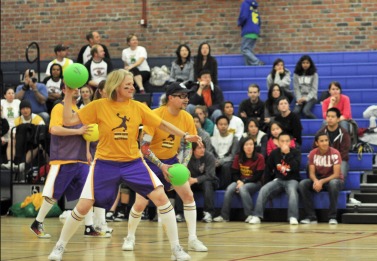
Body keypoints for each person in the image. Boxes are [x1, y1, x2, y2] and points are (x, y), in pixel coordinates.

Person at [48, 69, 201, 261]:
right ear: (116, 86)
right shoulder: (99, 106)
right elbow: (69, 120)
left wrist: (185, 135)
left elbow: (162, 124)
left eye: (132, 84)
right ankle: (60, 246)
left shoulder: (138, 107)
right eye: (127, 84)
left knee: (161, 198)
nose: (132, 87)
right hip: (105, 163)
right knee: (84, 206)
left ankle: (176, 248)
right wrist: (69, 94)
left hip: (133, 163)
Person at [123, 82, 208, 252]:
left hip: (172, 161)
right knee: (140, 203)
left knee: (188, 196)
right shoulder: (154, 116)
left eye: (187, 96)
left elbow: (187, 145)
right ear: (170, 98)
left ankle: (192, 238)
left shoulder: (187, 117)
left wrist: (182, 166)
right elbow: (144, 148)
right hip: (150, 163)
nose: (186, 99)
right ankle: (130, 237)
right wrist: (161, 166)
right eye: (182, 96)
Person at [29, 86, 109, 239]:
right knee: (53, 194)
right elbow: (54, 129)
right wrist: (77, 131)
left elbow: (86, 133)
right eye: (72, 88)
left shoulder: (78, 109)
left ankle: (88, 227)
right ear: (64, 91)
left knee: (88, 193)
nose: (77, 90)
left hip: (81, 160)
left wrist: (87, 150)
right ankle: (37, 222)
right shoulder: (59, 108)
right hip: (63, 158)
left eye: (78, 88)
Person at [249, 132, 301, 225]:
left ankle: (293, 217)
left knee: (293, 192)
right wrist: (267, 183)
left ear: (290, 142)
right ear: (278, 142)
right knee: (264, 189)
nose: (285, 143)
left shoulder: (296, 152)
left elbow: (295, 167)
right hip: (279, 180)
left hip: (292, 180)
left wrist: (288, 154)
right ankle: (257, 215)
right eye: (282, 141)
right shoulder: (274, 153)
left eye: (287, 141)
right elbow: (268, 169)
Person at [214, 137, 265, 222]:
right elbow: (234, 173)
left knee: (243, 188)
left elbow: (258, 175)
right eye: (246, 145)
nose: (249, 147)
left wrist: (243, 182)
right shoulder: (238, 157)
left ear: (254, 146)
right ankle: (224, 216)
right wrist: (238, 181)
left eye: (251, 144)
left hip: (255, 182)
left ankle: (250, 214)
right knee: (229, 189)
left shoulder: (260, 157)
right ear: (243, 147)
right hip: (240, 181)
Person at [299, 132, 344, 225]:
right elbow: (311, 173)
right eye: (322, 141)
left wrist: (321, 182)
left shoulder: (335, 153)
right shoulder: (312, 153)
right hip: (319, 179)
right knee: (303, 184)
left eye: (326, 140)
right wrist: (316, 181)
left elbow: (336, 174)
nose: (325, 143)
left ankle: (332, 217)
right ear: (317, 143)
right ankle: (311, 217)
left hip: (334, 180)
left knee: (333, 183)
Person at [11, 100, 45, 177]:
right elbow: (13, 134)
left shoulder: (37, 118)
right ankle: (12, 162)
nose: (25, 110)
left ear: (30, 109)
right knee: (11, 140)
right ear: (20, 110)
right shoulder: (17, 120)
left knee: (38, 145)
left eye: (27, 108)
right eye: (23, 108)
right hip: (21, 143)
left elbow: (42, 133)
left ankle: (24, 164)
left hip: (34, 142)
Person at [314, 108, 350, 180]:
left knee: (337, 180)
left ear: (338, 119)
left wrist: (332, 161)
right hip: (323, 159)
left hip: (339, 160)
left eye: (332, 117)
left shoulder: (344, 133)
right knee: (310, 164)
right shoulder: (320, 133)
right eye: (328, 116)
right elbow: (315, 150)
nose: (330, 119)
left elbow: (344, 153)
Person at [211, 115, 239, 190]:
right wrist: (214, 161)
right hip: (216, 160)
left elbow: (233, 156)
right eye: (220, 124)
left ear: (228, 125)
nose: (223, 126)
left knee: (226, 166)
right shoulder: (212, 139)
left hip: (228, 161)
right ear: (216, 126)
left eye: (225, 124)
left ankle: (224, 189)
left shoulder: (234, 138)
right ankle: (213, 186)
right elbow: (210, 153)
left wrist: (221, 161)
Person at [237, 0, 264, 66]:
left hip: (248, 30)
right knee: (248, 49)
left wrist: (239, 23)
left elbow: (244, 16)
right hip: (255, 31)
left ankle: (257, 62)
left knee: (244, 49)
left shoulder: (245, 3)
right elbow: (259, 20)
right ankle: (248, 66)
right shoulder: (254, 6)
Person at [293, 55, 318, 119]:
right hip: (300, 97)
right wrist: (299, 98)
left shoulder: (314, 74)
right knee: (295, 112)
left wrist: (306, 98)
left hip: (311, 97)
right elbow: (296, 88)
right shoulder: (296, 74)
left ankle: (319, 123)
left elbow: (314, 90)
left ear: (310, 64)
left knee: (305, 111)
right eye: (303, 63)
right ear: (300, 63)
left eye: (307, 63)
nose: (305, 65)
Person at [1, 87, 20, 169]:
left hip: (15, 128)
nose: (11, 95)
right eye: (9, 93)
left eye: (13, 93)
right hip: (4, 128)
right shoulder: (1, 102)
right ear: (4, 95)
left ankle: (10, 162)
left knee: (12, 139)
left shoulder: (18, 102)